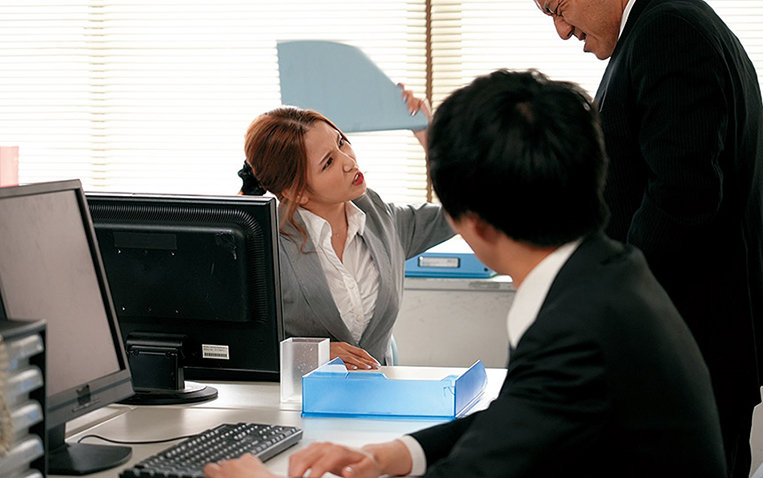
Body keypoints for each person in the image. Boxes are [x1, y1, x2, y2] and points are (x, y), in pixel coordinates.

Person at [204, 69, 726, 478]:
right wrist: (395, 453)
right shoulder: (612, 276)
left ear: (472, 222)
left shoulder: (572, 333)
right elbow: (516, 416)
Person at [501, 0, 763, 476]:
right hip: (694, 333)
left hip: (690, 335)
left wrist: (606, 302)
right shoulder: (664, 24)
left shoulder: (668, 31)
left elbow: (681, 199)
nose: (562, 32)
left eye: (558, 8)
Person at [237, 85, 453, 370]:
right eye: (328, 162)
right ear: (296, 192)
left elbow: (469, 211)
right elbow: (233, 347)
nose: (349, 162)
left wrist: (431, 141)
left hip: (380, 389)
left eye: (341, 143)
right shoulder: (266, 246)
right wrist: (311, 355)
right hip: (299, 395)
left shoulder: (380, 218)